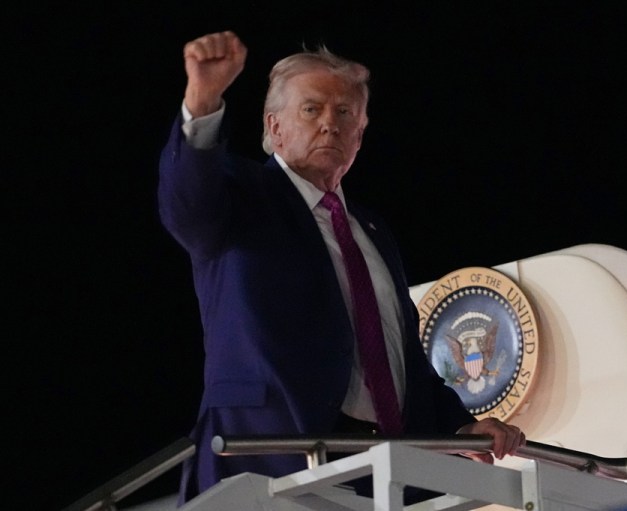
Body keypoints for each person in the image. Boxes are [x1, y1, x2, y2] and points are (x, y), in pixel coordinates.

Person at [158, 30, 525, 504]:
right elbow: (187, 205)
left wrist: (459, 426)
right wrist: (202, 101)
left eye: (345, 113)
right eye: (312, 109)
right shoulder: (242, 198)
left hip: (384, 471)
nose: (330, 124)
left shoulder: (371, 231)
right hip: (269, 457)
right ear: (274, 127)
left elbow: (398, 355)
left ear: (360, 135)